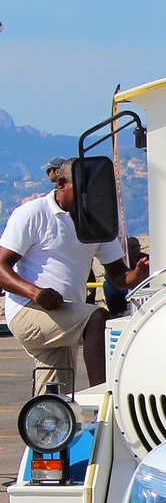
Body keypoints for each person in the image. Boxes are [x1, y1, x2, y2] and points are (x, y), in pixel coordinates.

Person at [0, 159, 150, 392]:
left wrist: (137, 275)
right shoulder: (32, 214)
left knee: (56, 398)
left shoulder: (97, 223)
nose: (88, 199)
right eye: (83, 192)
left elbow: (119, 276)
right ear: (61, 184)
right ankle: (105, 398)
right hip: (29, 310)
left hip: (64, 313)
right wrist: (36, 292)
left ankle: (50, 425)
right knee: (97, 318)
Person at [103, 235, 149, 317]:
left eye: (138, 246)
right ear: (127, 248)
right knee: (107, 285)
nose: (136, 249)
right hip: (124, 286)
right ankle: (116, 314)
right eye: (132, 247)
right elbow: (108, 275)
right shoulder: (121, 260)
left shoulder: (145, 259)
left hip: (142, 286)